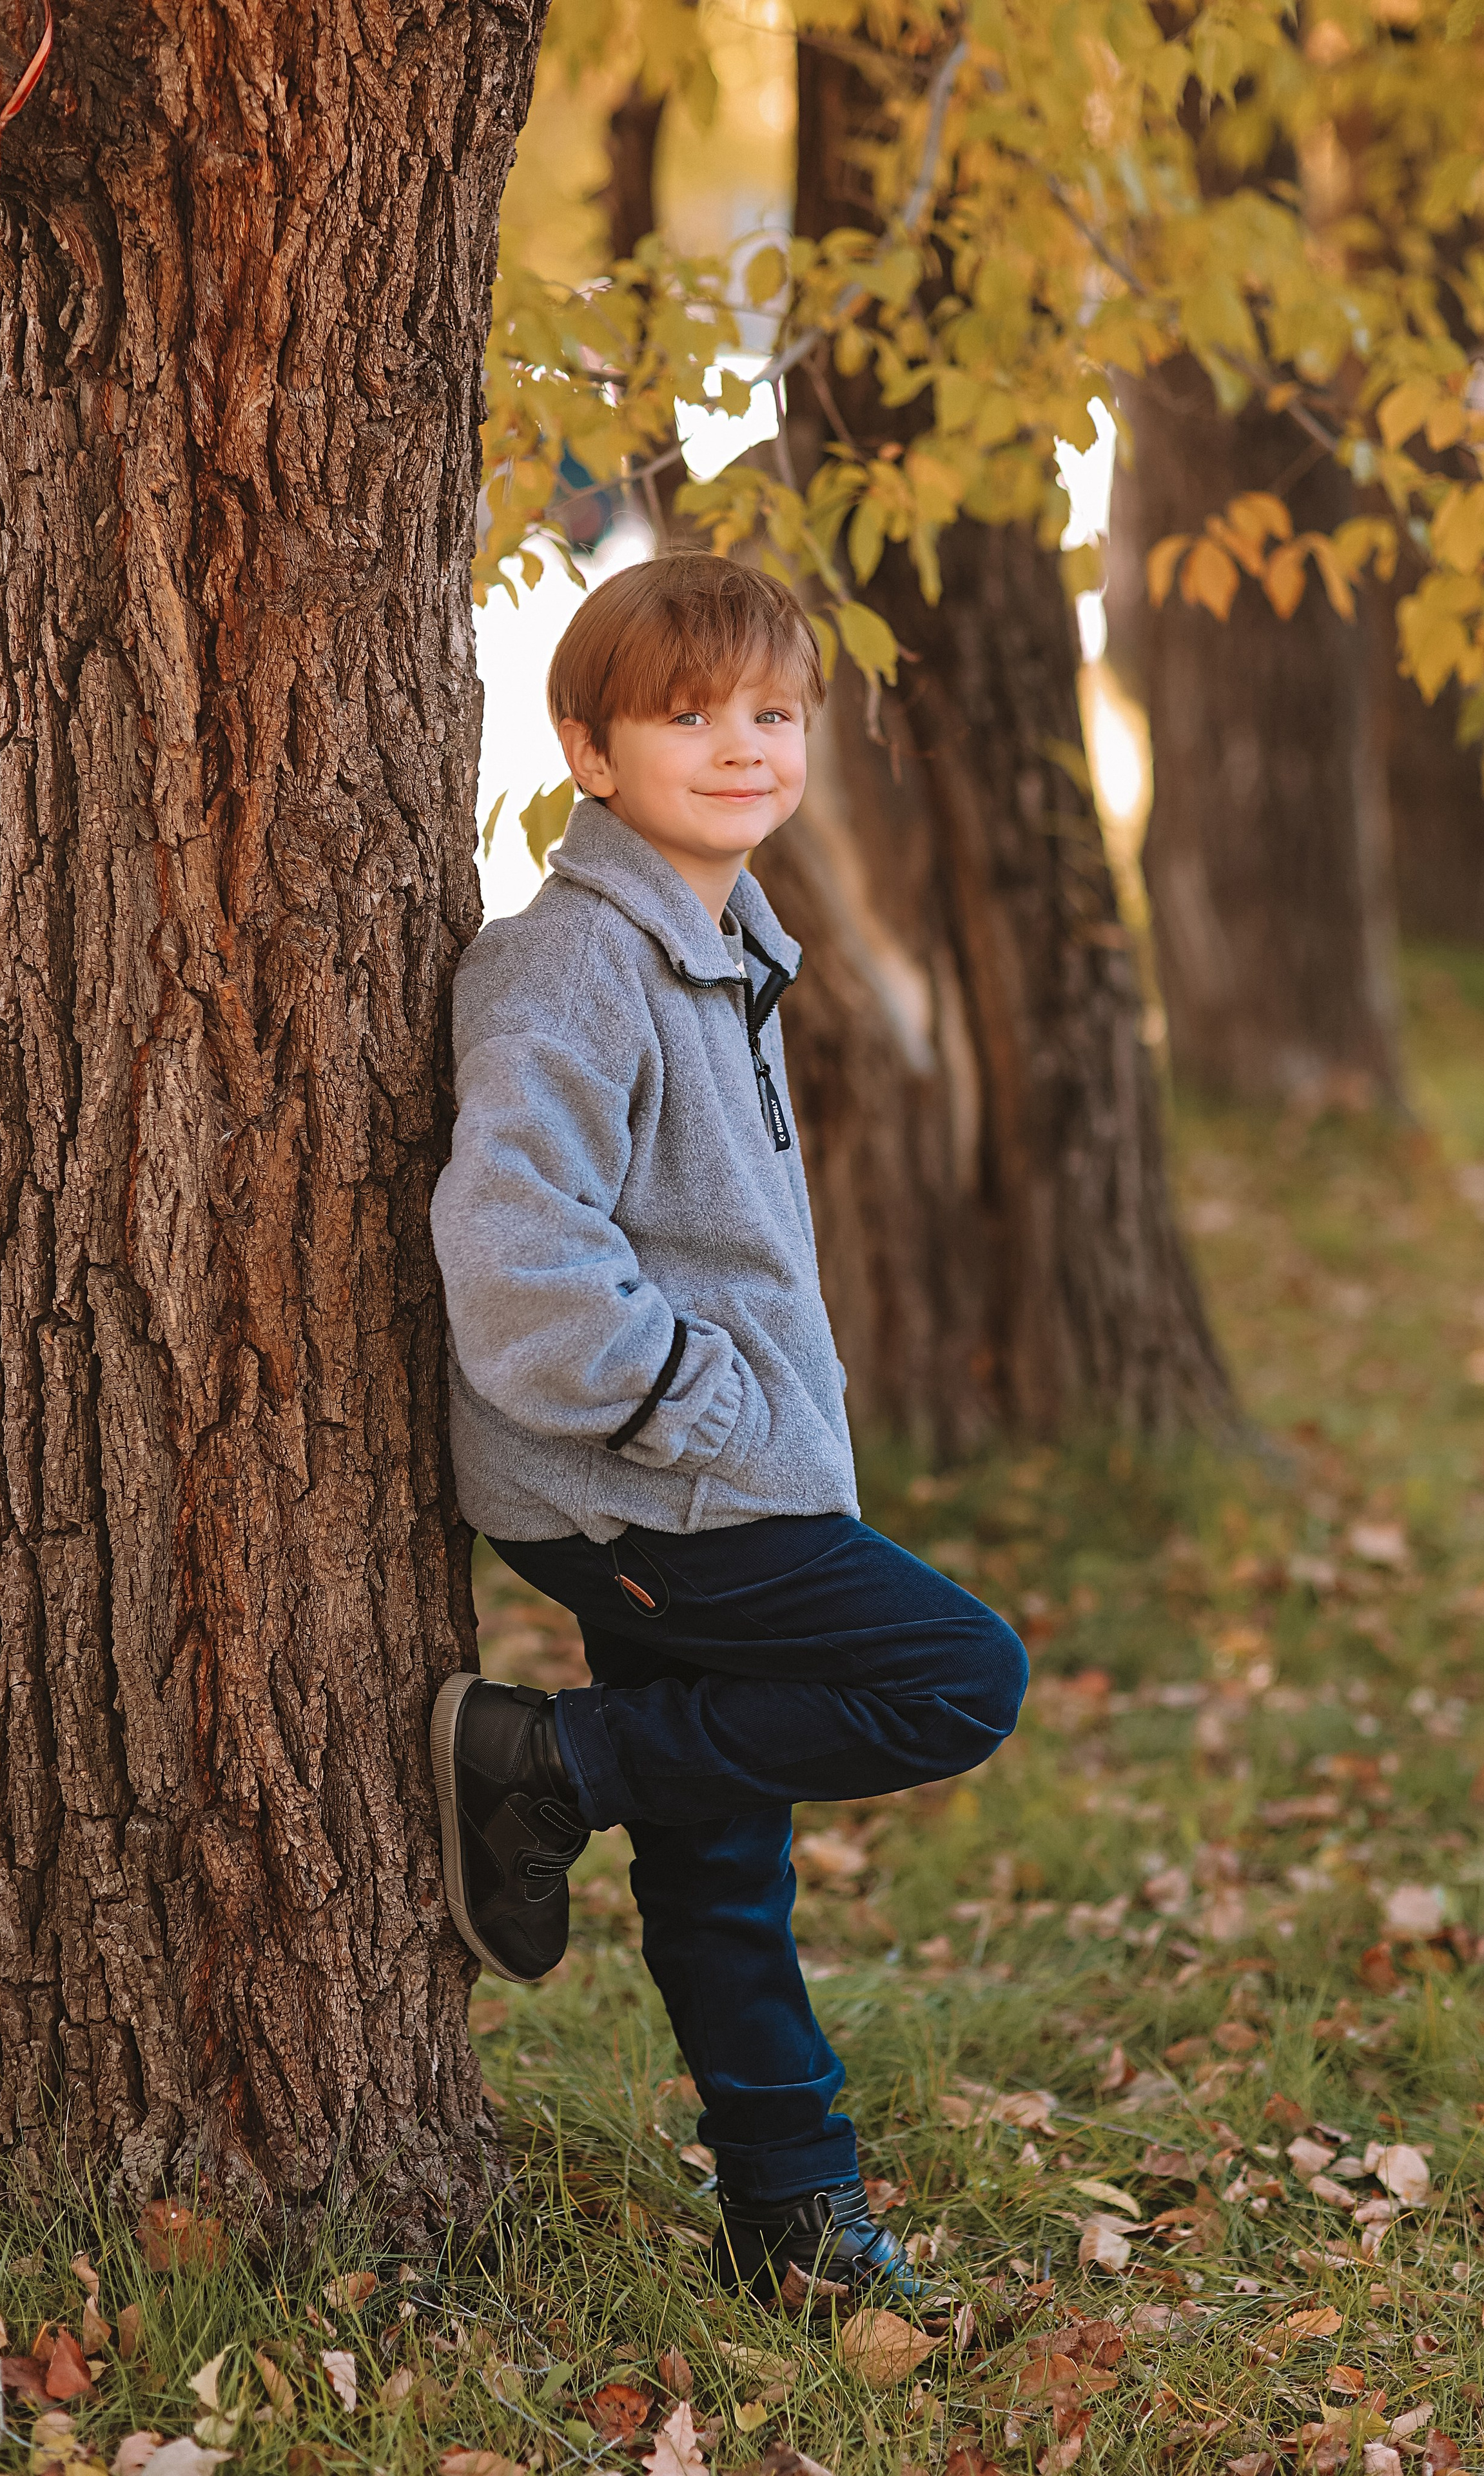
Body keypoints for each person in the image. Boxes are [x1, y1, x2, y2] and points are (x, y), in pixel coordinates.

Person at [429, 553, 1028, 2308]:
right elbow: (515, 1239)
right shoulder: (572, 964)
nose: (743, 746)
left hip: (692, 1475)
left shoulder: (721, 945)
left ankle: (792, 2216)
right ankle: (551, 1766)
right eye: (688, 717)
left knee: (725, 1858)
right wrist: (689, 1402)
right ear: (589, 751)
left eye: (772, 712)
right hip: (649, 1487)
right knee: (957, 1676)